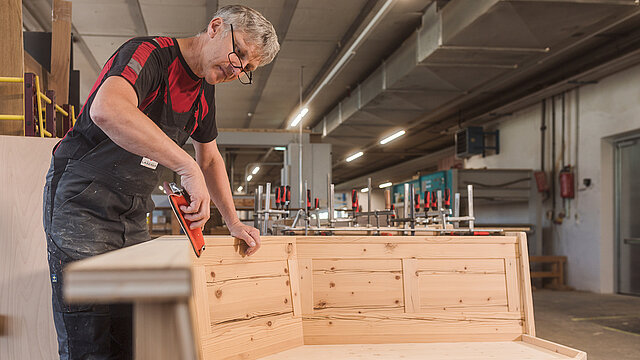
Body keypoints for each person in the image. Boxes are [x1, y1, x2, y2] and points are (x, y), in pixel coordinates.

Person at [42, 5, 279, 359]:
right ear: (216, 27)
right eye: (239, 52)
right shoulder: (150, 55)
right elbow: (107, 109)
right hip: (82, 207)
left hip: (132, 215)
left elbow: (210, 158)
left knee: (135, 337)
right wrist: (186, 166)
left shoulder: (203, 93)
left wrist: (233, 221)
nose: (237, 68)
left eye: (247, 68)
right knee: (89, 341)